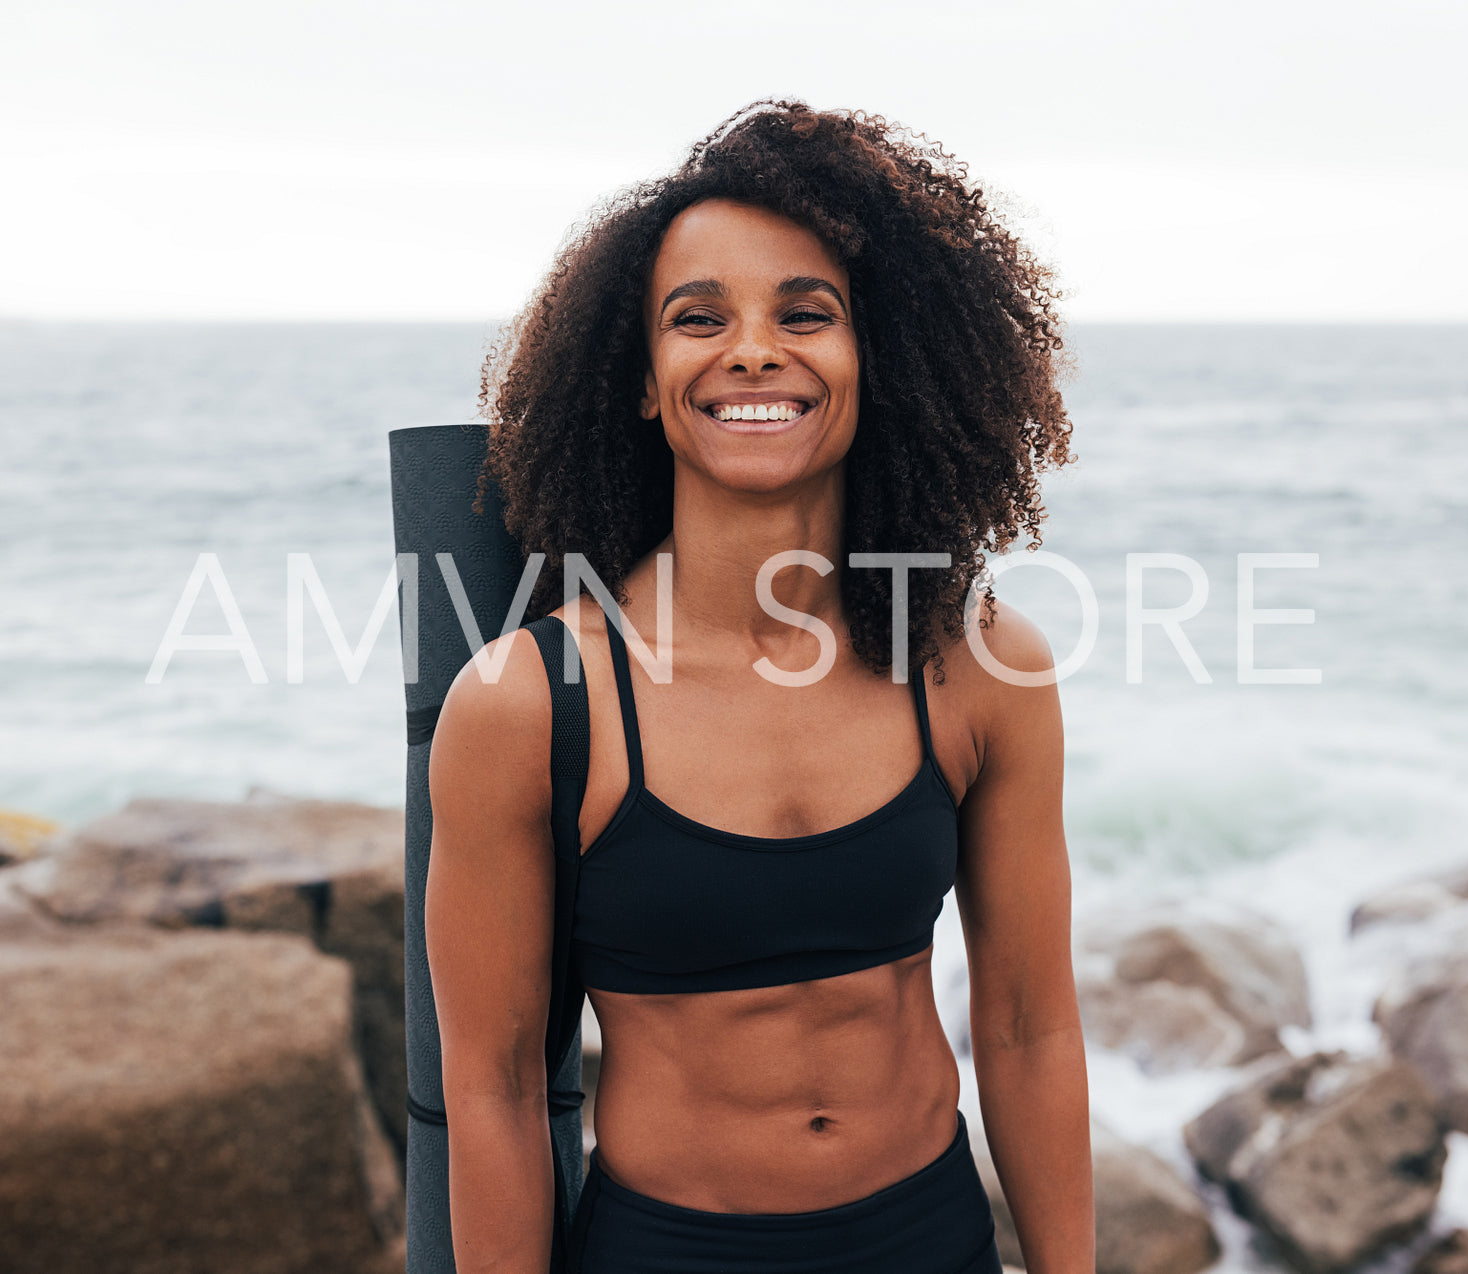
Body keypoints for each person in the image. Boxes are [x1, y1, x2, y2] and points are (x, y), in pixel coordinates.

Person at [426, 98, 1091, 1274]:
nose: (751, 350)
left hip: (929, 1242)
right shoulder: (527, 704)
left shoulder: (980, 666)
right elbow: (491, 1087)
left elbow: (1030, 1028)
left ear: (871, 359)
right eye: (697, 318)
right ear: (640, 379)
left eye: (805, 312)